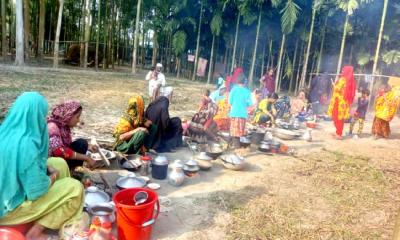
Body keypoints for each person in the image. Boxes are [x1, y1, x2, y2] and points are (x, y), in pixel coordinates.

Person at [0, 92, 84, 240]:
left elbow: (21, 164)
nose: (44, 118)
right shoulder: (26, 144)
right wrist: (53, 176)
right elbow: (36, 191)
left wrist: (47, 169)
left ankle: (50, 211)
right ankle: (36, 231)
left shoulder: (6, 132)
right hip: (9, 210)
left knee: (58, 162)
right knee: (75, 188)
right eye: (42, 114)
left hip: (7, 193)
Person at [48, 100, 97, 170]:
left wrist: (89, 147)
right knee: (81, 143)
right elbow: (60, 151)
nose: (78, 120)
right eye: (77, 117)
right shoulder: (52, 127)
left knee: (82, 143)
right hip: (52, 163)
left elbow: (66, 145)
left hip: (60, 158)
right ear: (68, 115)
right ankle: (68, 172)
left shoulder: (63, 126)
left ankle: (74, 170)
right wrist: (86, 157)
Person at [327, 66, 357, 139]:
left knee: (337, 116)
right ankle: (338, 132)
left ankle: (339, 134)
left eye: (343, 70)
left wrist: (334, 84)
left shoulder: (343, 79)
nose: (342, 71)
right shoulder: (349, 80)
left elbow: (338, 88)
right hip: (343, 102)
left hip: (339, 101)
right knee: (339, 117)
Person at [228, 75, 253, 148]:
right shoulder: (247, 92)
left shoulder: (234, 90)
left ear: (237, 81)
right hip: (243, 114)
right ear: (245, 82)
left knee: (234, 129)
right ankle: (234, 144)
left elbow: (230, 102)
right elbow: (249, 104)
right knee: (238, 131)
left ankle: (235, 145)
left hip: (234, 113)